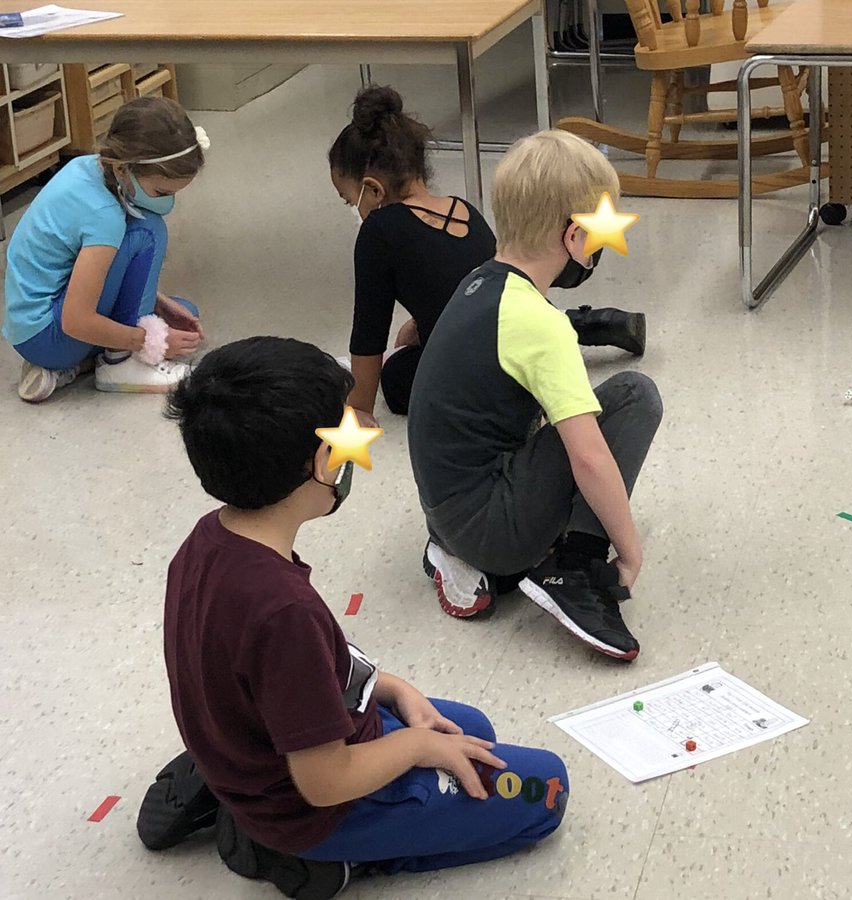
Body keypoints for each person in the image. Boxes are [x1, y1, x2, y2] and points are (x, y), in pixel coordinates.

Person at [151, 336, 568, 899]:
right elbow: (325, 782)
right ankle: (323, 859)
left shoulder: (207, 540)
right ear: (322, 461)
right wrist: (418, 749)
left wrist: (389, 687)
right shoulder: (281, 609)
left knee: (472, 728)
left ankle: (238, 796)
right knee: (547, 790)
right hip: (318, 806)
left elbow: (285, 672)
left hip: (280, 750)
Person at [408, 130, 663, 662]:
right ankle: (574, 568)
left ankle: (454, 550)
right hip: (490, 530)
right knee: (635, 396)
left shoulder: (478, 281)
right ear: (574, 238)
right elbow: (589, 457)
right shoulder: (541, 324)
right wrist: (629, 551)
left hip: (445, 505)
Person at [328, 85, 647, 424]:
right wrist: (423, 322)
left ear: (373, 190)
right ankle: (580, 323)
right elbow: (476, 279)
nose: (355, 210)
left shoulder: (377, 230)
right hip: (526, 324)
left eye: (351, 201)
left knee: (395, 374)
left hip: (482, 371)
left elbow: (369, 331)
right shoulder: (461, 208)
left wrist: (360, 407)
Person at [3, 97, 207, 402]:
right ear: (124, 168)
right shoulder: (103, 215)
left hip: (31, 329)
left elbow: (94, 269)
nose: (168, 203)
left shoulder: (87, 168)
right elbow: (76, 320)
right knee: (149, 231)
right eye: (162, 192)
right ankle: (118, 363)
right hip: (50, 333)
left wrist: (158, 303)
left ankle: (71, 368)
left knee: (181, 312)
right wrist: (150, 341)